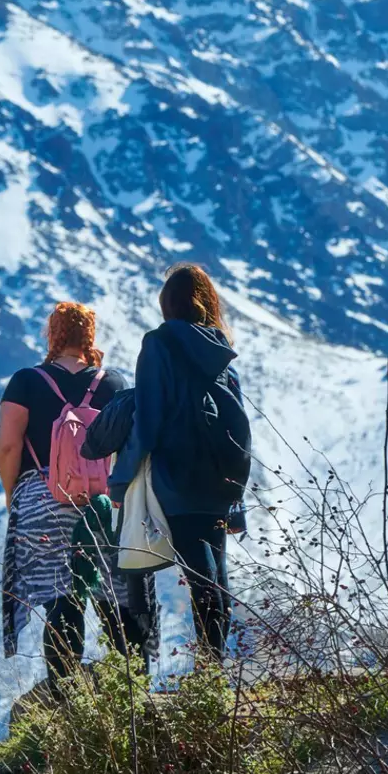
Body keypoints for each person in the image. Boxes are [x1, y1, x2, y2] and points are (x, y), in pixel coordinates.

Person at [0, 301, 155, 679]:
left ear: (53, 335)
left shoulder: (26, 381)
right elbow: (133, 447)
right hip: (104, 503)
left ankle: (64, 687)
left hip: (43, 498)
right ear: (89, 337)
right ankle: (131, 683)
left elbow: (8, 446)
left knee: (62, 595)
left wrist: (13, 495)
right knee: (117, 594)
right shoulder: (114, 384)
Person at [122, 264, 250, 658]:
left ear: (167, 304)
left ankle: (210, 670)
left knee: (198, 573)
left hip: (177, 476)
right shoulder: (219, 349)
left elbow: (149, 417)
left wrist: (121, 477)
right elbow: (237, 424)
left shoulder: (158, 344)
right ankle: (215, 665)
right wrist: (237, 505)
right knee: (217, 573)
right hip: (221, 479)